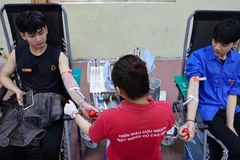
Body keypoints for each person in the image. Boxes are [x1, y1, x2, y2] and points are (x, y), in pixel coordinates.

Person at [0, 10, 96, 160]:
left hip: (53, 106)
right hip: (26, 103)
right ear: (23, 36)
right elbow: (4, 76)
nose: (38, 38)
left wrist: (81, 103)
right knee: (6, 148)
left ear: (46, 29)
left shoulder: (58, 55)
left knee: (49, 151)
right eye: (32, 35)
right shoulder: (17, 54)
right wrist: (16, 90)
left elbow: (68, 79)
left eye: (41, 32)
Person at [64, 54, 174, 160]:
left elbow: (92, 134)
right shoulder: (165, 109)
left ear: (118, 90)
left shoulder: (109, 118)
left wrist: (74, 113)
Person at [179, 19, 240, 160]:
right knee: (236, 151)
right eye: (215, 41)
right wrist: (190, 120)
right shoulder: (198, 57)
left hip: (229, 109)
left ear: (235, 43)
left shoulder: (237, 61)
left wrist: (230, 124)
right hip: (208, 112)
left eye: (223, 44)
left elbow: (232, 93)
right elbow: (193, 88)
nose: (217, 47)